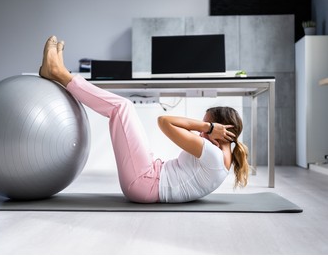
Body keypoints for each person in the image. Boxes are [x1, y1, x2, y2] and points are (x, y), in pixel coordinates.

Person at [39, 36, 249, 203]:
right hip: (150, 174)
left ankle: (59, 72)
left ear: (221, 132)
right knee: (124, 110)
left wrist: (208, 127)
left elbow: (164, 121)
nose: (201, 132)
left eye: (207, 129)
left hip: (144, 183)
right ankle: (58, 73)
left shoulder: (212, 154)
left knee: (122, 107)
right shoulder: (222, 156)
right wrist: (209, 128)